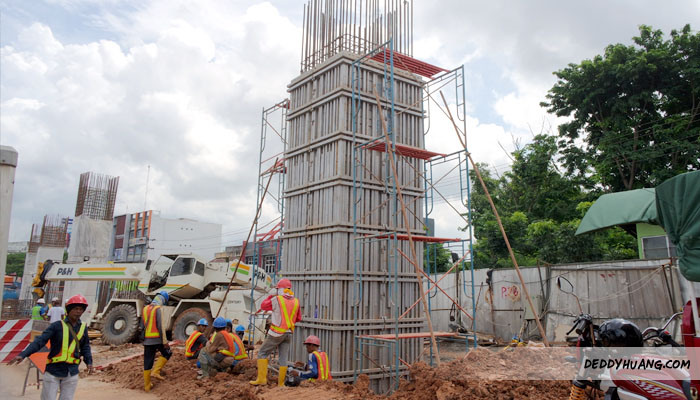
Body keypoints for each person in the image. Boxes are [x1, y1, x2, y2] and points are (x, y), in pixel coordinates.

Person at [9, 294, 93, 400]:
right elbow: (40, 341)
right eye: (76, 309)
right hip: (54, 371)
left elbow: (85, 346)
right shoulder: (56, 326)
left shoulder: (83, 328)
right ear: (69, 310)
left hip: (71, 372)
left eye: (81, 309)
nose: (78, 312)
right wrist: (23, 354)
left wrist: (89, 362)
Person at [249, 278, 301, 387]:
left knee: (262, 353)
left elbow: (263, 306)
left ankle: (262, 379)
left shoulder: (277, 299)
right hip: (288, 333)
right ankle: (281, 383)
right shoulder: (296, 301)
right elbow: (298, 318)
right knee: (283, 358)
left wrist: (269, 296)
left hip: (277, 333)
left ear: (279, 289)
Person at [140, 291, 172, 392]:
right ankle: (156, 372)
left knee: (147, 362)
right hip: (157, 340)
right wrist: (165, 342)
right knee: (167, 353)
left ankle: (147, 386)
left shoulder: (145, 309)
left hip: (147, 341)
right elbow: (160, 327)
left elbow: (142, 326)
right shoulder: (158, 309)